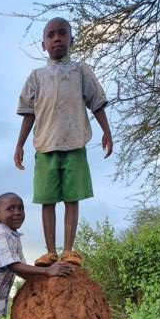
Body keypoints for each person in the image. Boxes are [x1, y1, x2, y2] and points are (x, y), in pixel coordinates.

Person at [14, 17, 113, 267]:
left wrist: (106, 132)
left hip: (74, 144)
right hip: (45, 146)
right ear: (43, 44)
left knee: (71, 197)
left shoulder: (81, 71)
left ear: (71, 39)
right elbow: (28, 113)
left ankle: (68, 250)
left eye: (62, 33)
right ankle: (50, 252)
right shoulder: (36, 76)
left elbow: (96, 103)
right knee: (47, 199)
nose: (56, 38)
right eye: (50, 35)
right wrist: (19, 144)